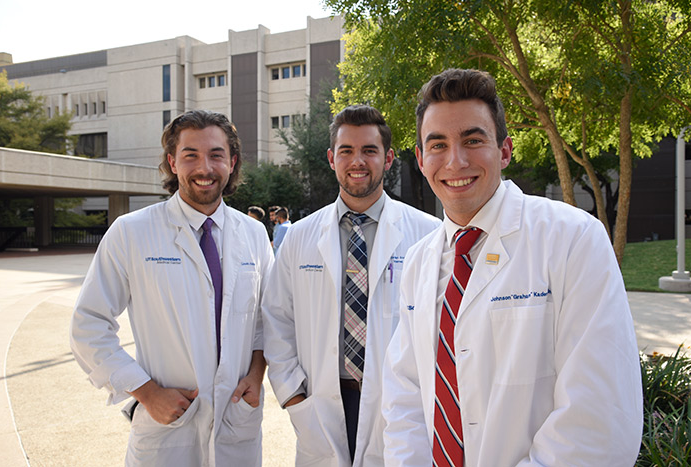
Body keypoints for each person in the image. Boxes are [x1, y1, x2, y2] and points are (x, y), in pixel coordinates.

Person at [382, 68, 643, 466]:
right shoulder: (419, 261)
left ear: (504, 150)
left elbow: (599, 414)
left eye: (473, 139)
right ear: (420, 159)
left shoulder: (572, 239)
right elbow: (405, 395)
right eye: (438, 145)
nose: (455, 161)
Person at [70, 110, 273, 466]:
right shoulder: (132, 232)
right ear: (172, 162)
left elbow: (266, 320)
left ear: (232, 162)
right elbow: (89, 324)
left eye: (216, 155)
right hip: (167, 430)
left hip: (236, 422)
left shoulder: (254, 234)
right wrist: (146, 392)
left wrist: (256, 376)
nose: (204, 167)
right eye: (190, 155)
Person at [262, 105, 441, 466]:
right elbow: (277, 318)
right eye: (346, 150)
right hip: (323, 400)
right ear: (331, 158)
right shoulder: (299, 237)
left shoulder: (428, 234)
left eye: (369, 150)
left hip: (399, 402)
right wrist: (294, 395)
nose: (357, 161)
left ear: (388, 158)